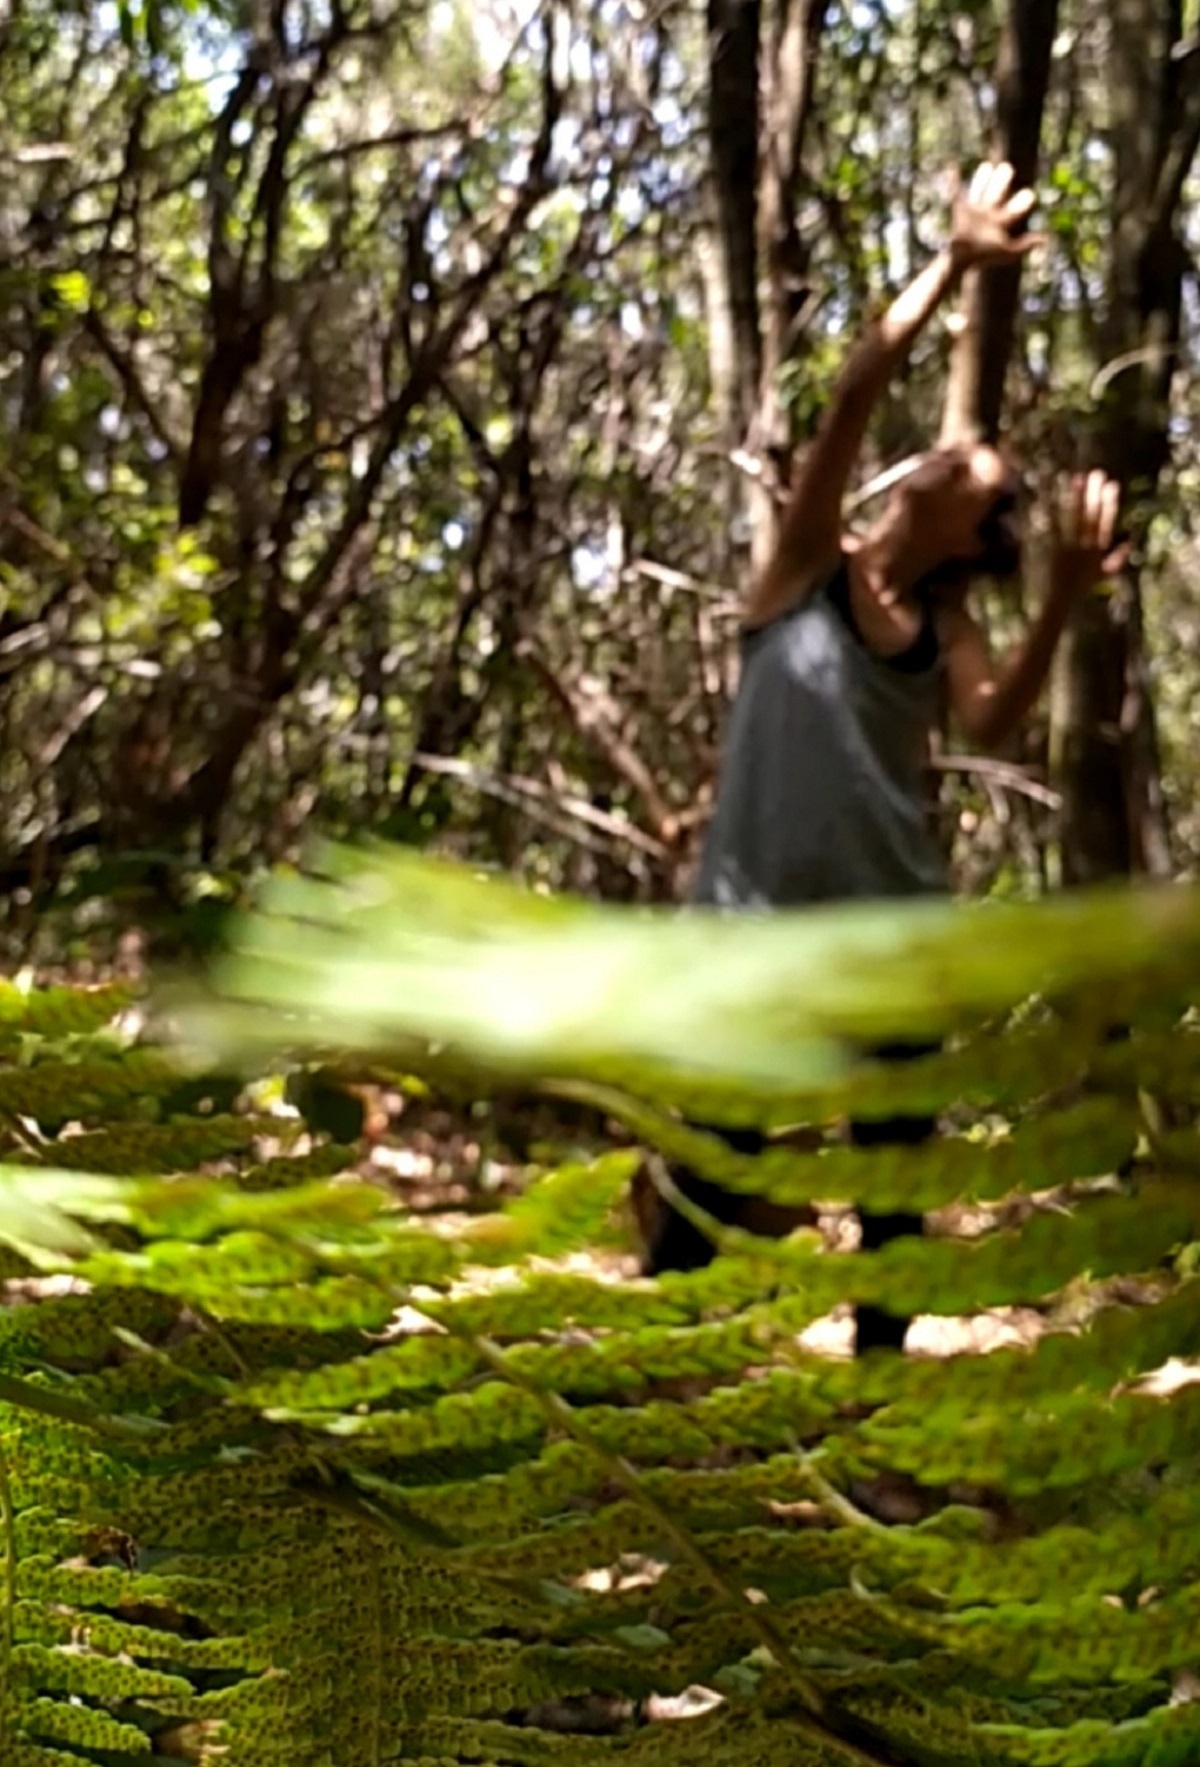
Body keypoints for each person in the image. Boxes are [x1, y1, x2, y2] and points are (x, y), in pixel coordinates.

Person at [639, 162, 1126, 1351]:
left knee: (895, 1198)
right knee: (711, 1171)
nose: (946, 462)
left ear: (969, 533)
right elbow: (859, 385)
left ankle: (880, 1421)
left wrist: (1061, 593)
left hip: (893, 937)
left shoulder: (943, 629)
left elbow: (994, 722)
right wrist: (952, 266)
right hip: (753, 935)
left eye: (974, 476)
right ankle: (653, 1414)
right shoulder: (805, 566)